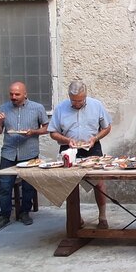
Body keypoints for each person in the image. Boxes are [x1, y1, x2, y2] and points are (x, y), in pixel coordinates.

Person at [48, 80, 112, 229]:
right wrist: (67, 140)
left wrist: (95, 138)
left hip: (92, 147)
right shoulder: (61, 108)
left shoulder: (96, 105)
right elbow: (52, 132)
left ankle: (102, 216)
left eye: (80, 100)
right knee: (69, 183)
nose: (77, 104)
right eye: (73, 100)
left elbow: (107, 127)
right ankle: (76, 218)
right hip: (68, 149)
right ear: (69, 96)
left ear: (86, 95)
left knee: (99, 182)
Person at [0, 81, 49, 232]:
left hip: (29, 152)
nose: (13, 97)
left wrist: (33, 132)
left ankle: (24, 212)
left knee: (28, 186)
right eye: (11, 94)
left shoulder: (37, 108)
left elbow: (47, 128)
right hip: (9, 152)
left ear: (25, 94)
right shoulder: (4, 108)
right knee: (5, 186)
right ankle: (4, 215)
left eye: (17, 94)